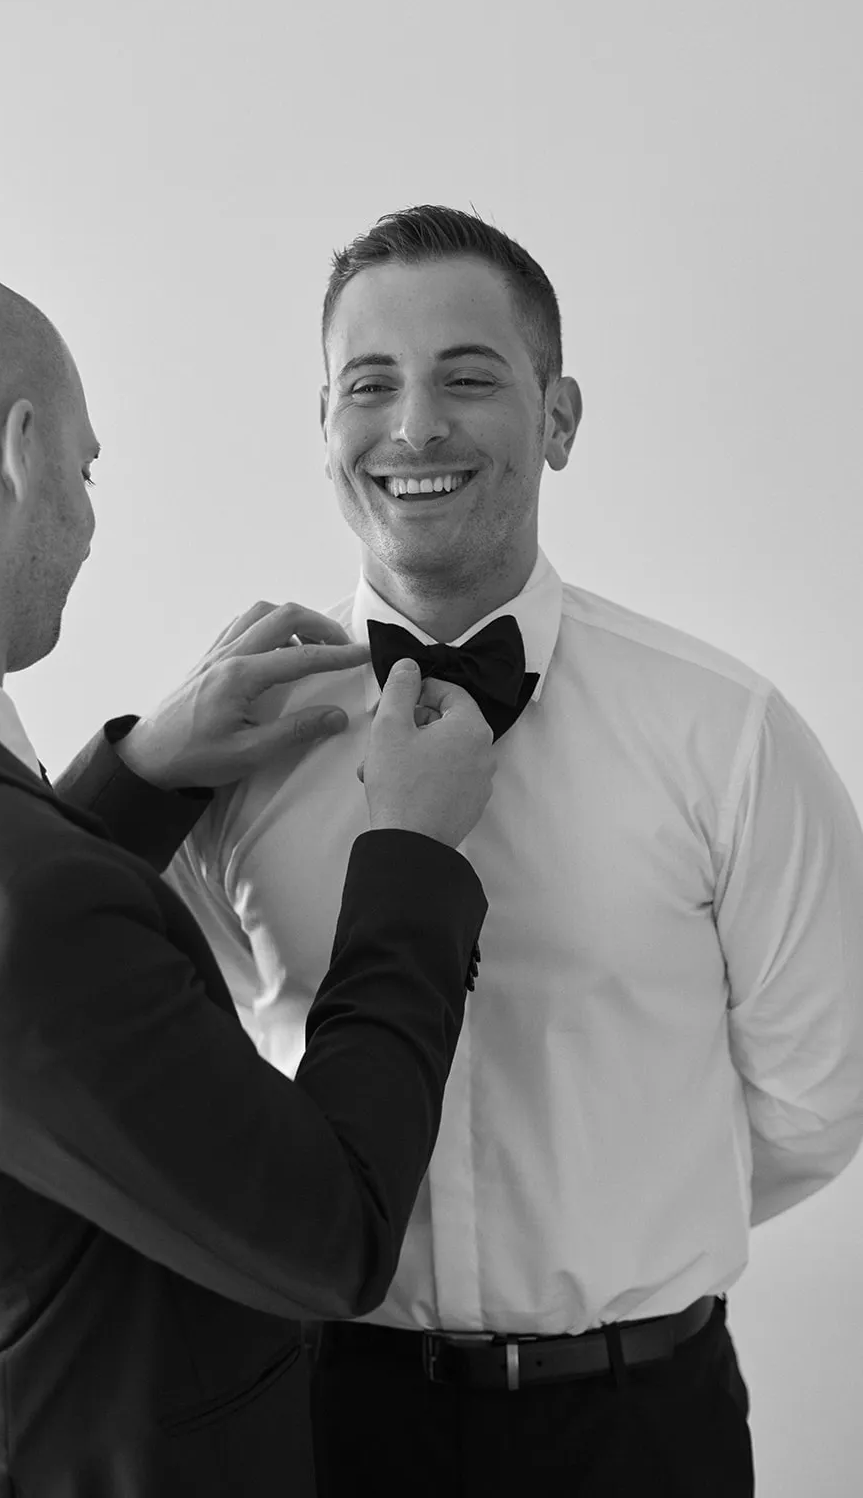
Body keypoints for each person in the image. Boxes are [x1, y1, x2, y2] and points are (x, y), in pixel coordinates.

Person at [163, 204, 863, 1497]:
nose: (413, 425)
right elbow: (170, 1092)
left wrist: (623, 1225)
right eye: (368, 384)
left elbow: (815, 1104)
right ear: (323, 428)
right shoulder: (228, 746)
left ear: (558, 417)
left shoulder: (728, 734)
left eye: (466, 377)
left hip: (639, 1428)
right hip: (323, 1422)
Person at [0, 252, 502, 1498]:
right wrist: (406, 858)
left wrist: (136, 782)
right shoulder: (18, 910)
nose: (84, 513)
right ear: (19, 451)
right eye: (82, 466)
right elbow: (330, 1235)